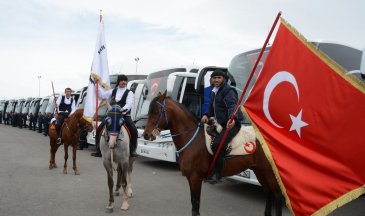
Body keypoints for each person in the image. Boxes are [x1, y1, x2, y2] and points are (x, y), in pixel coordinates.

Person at [201, 69, 244, 184]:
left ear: (223, 79)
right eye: (214, 78)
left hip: (231, 124)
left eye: (219, 78)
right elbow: (211, 107)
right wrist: (206, 115)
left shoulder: (228, 90)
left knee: (217, 145)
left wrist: (232, 118)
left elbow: (232, 106)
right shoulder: (214, 91)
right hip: (220, 123)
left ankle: (218, 173)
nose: (216, 80)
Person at [92, 74, 138, 157]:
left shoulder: (129, 92)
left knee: (134, 130)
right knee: (99, 129)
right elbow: (102, 95)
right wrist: (97, 85)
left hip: (123, 115)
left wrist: (122, 110)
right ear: (118, 82)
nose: (124, 82)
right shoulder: (112, 91)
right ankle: (98, 150)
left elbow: (129, 104)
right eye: (122, 80)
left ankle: (132, 151)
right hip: (112, 116)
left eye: (125, 80)